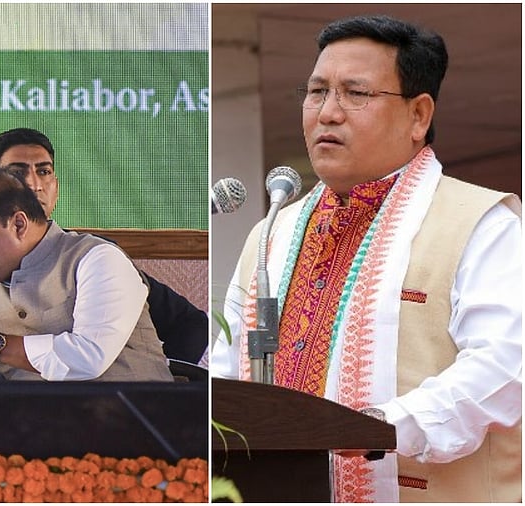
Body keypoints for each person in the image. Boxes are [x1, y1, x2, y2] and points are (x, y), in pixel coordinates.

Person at [209, 15, 521, 503]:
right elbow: (226, 370)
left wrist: (379, 426)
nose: (328, 113)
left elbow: (505, 367)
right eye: (317, 92)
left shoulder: (483, 224)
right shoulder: (273, 231)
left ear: (418, 116)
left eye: (355, 94)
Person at [0, 128, 208, 378]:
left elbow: (88, 357)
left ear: (19, 223)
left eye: (44, 171)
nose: (34, 185)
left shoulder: (96, 258)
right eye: (17, 173)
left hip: (136, 428)